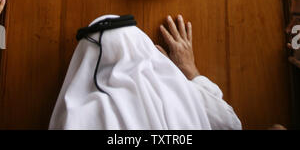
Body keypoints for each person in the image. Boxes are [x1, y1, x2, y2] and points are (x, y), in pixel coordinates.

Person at [49, 14, 242, 130]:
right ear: (143, 49)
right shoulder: (174, 98)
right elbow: (230, 124)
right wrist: (189, 73)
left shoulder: (75, 115)